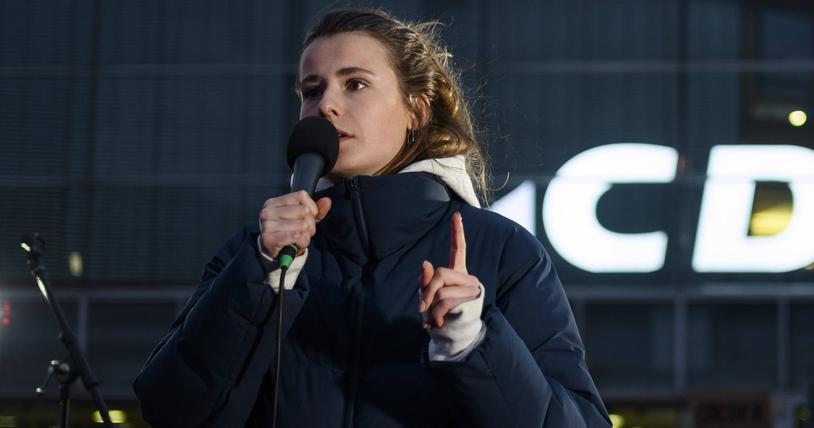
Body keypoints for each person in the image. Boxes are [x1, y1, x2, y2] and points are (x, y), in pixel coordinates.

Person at [134, 8, 610, 428]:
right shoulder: (253, 251)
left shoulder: (504, 251)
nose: (325, 105)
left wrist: (473, 342)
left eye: (355, 84)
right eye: (310, 90)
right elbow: (170, 409)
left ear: (416, 112)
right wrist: (259, 281)